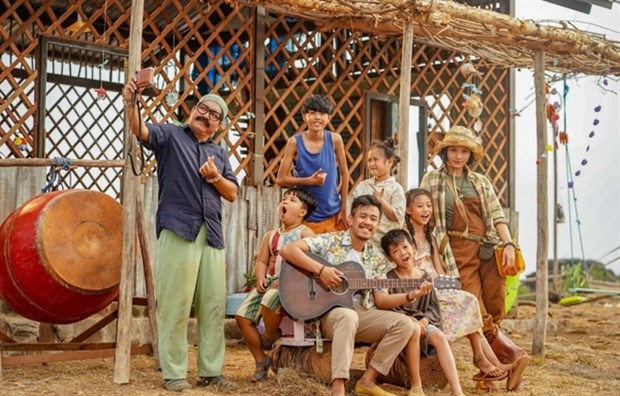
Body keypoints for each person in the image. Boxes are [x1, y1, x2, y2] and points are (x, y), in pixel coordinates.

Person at [123, 78, 238, 392]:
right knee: (175, 304)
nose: (206, 115)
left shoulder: (219, 153)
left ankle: (210, 371)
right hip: (178, 229)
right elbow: (140, 130)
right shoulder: (171, 135)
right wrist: (131, 100)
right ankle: (174, 373)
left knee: (213, 305)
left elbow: (232, 193)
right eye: (203, 108)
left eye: (214, 114)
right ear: (194, 110)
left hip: (211, 234)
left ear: (219, 124)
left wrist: (215, 177)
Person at [420, 126, 529, 390]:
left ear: (471, 155)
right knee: (474, 306)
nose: (458, 156)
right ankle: (513, 355)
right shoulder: (432, 179)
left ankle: (487, 375)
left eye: (464, 152)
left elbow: (497, 214)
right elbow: (422, 215)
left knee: (493, 303)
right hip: (455, 250)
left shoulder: (480, 181)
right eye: (454, 150)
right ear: (445, 152)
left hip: (489, 249)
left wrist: (509, 244)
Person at [280, 195, 421, 396]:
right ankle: (338, 387)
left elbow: (381, 300)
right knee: (348, 315)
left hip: (361, 312)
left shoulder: (376, 257)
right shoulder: (331, 240)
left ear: (378, 224)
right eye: (363, 216)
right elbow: (288, 250)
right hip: (328, 313)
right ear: (351, 219)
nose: (368, 222)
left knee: (405, 324)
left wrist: (409, 295)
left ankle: (367, 381)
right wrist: (321, 270)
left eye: (373, 219)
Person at [404, 188, 529, 390]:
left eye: (428, 206)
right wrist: (423, 281)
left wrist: (445, 283)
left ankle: (483, 359)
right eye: (420, 206)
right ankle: (488, 361)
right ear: (409, 210)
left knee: (468, 300)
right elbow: (404, 268)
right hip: (416, 290)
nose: (425, 210)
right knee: (469, 303)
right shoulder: (404, 236)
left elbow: (439, 269)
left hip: (434, 286)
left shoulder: (431, 237)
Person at [235, 187, 317, 383]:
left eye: (292, 200)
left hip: (293, 286)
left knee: (270, 300)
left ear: (302, 212)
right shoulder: (270, 235)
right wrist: (260, 277)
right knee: (241, 316)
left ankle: (270, 335)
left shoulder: (305, 233)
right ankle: (261, 359)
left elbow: (312, 262)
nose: (285, 202)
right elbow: (262, 261)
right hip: (269, 283)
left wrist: (285, 281)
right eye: (284, 199)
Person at [380, 229, 464, 396]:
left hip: (423, 324)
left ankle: (456, 389)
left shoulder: (425, 276)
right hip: (402, 327)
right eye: (396, 251)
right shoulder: (389, 278)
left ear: (413, 248)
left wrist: (424, 321)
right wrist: (412, 322)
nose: (402, 253)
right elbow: (388, 309)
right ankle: (415, 385)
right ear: (390, 258)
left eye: (405, 247)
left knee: (439, 336)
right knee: (414, 329)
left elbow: (433, 307)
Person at [276, 94, 349, 233]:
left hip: (333, 213)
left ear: (329, 117)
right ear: (304, 116)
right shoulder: (294, 142)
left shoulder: (335, 140)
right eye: (312, 112)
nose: (317, 117)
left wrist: (344, 209)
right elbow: (280, 179)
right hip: (306, 217)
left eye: (322, 113)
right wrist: (309, 181)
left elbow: (345, 174)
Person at [350, 138, 406, 246]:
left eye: (375, 160)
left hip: (384, 243)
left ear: (389, 162)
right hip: (361, 239)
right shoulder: (363, 185)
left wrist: (380, 200)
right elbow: (353, 210)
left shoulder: (396, 188)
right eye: (369, 160)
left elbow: (397, 216)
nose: (371, 163)